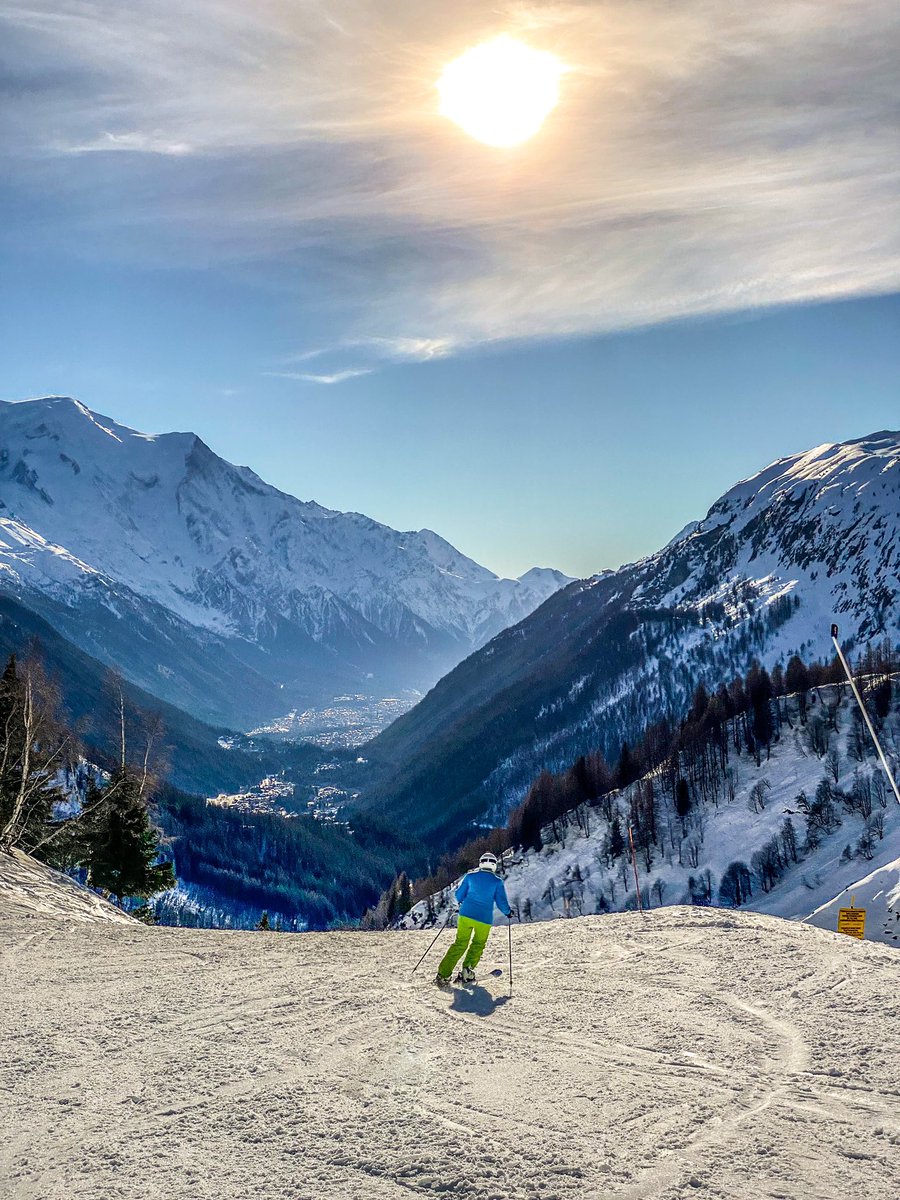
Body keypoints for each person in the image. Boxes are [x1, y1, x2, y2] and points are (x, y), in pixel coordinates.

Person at [435, 852, 513, 987]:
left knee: (460, 944)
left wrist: (458, 903)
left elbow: (458, 896)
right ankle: (467, 971)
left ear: (481, 863)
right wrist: (508, 912)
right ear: (494, 865)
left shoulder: (470, 877)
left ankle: (443, 975)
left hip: (465, 915)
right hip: (484, 919)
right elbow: (501, 902)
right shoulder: (497, 882)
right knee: (478, 944)